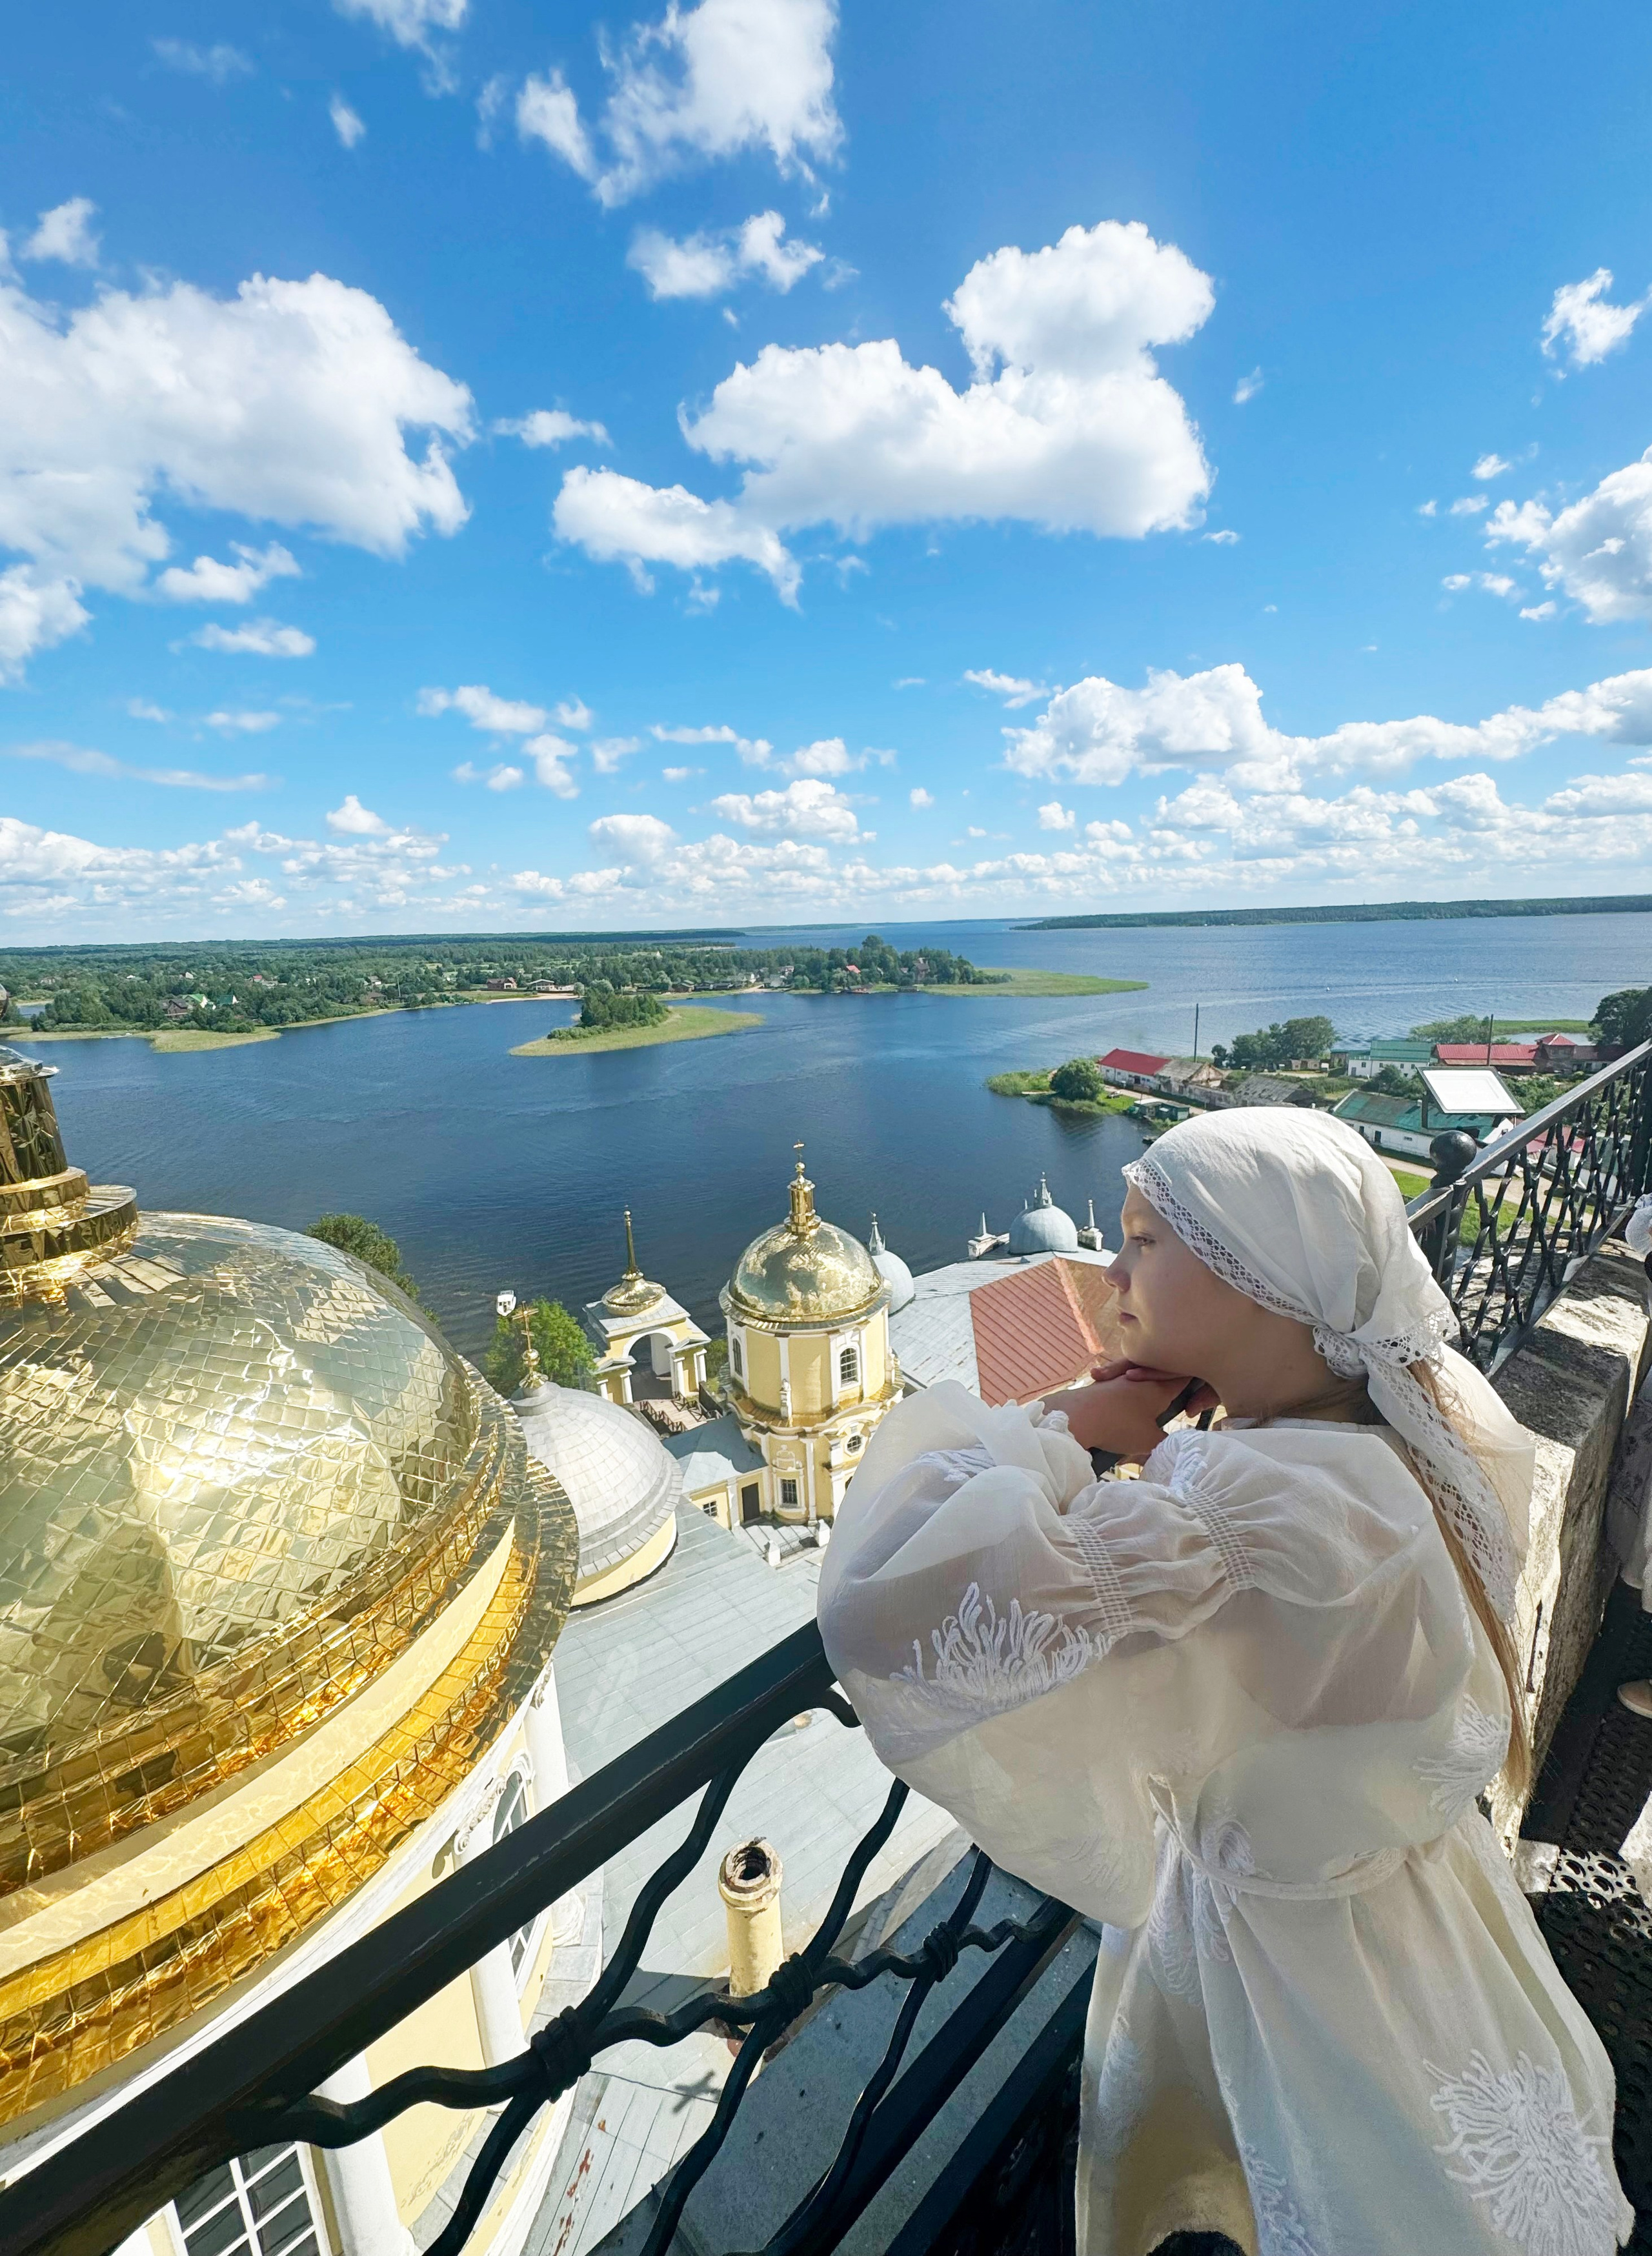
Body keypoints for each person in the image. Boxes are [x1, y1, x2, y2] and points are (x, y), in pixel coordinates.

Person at [818, 1109, 1631, 2256]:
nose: (1112, 1271)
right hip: (1399, 1904)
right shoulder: (1392, 1429)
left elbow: (884, 1605)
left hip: (1289, 1958)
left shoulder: (1242, 1511)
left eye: (1146, 1240)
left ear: (1263, 1277)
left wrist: (1063, 1422)